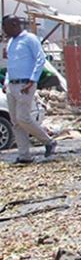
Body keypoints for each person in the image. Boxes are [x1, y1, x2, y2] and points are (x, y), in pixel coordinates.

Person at [2, 15, 57, 163]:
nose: (4, 30)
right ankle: (24, 155)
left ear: (14, 24)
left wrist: (32, 81)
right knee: (15, 122)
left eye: (5, 26)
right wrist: (7, 82)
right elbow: (11, 65)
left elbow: (40, 60)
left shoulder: (30, 39)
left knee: (23, 117)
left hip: (25, 85)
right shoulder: (11, 42)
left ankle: (48, 141)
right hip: (12, 85)